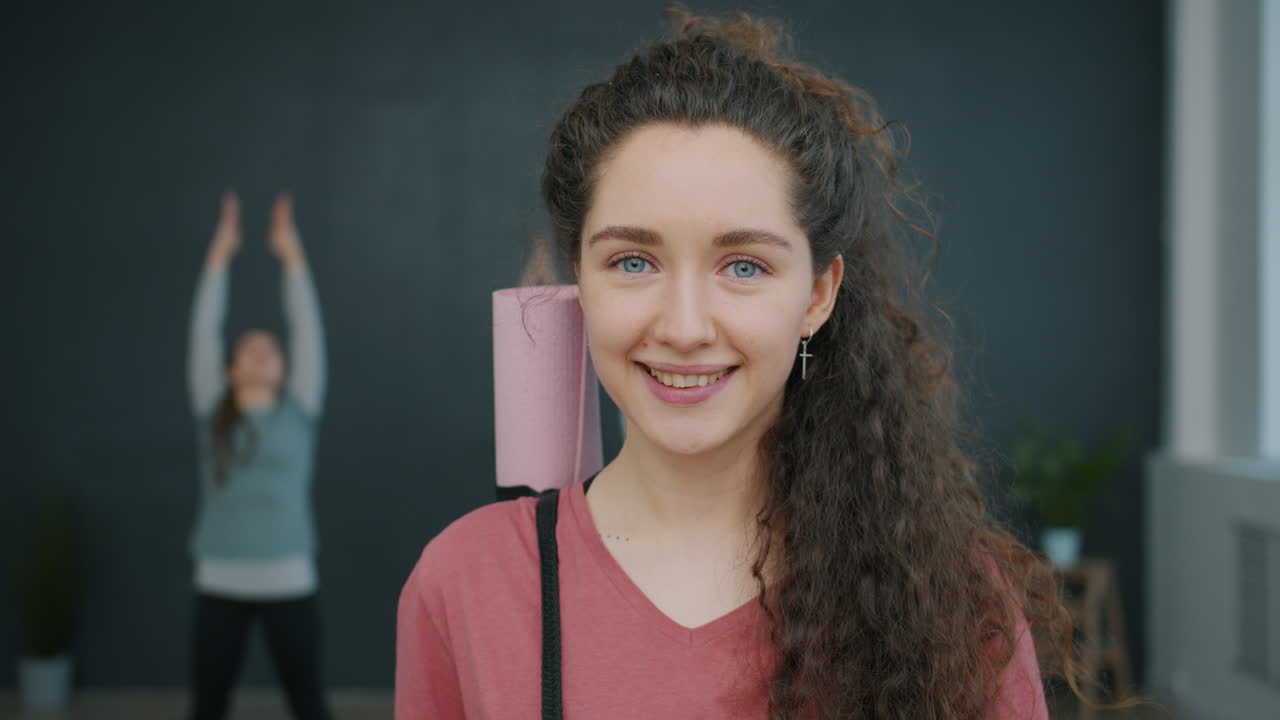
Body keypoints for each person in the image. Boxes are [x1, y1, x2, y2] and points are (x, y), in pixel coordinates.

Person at [397, 10, 1086, 719]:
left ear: (818, 295)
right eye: (633, 261)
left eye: (744, 265)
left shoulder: (952, 602)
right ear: (581, 279)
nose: (685, 327)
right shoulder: (464, 582)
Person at [187, 191, 332, 720]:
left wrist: (292, 258)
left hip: (289, 579)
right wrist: (218, 257)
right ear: (230, 370)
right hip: (217, 581)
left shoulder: (300, 409)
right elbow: (203, 333)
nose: (263, 350)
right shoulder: (212, 412)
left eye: (272, 348)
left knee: (309, 703)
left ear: (283, 367)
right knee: (207, 705)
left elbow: (308, 331)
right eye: (249, 346)